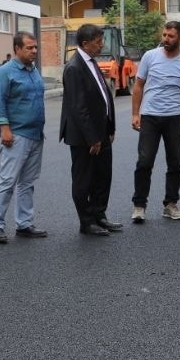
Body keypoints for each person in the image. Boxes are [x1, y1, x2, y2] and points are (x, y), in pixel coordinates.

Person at [130, 20, 180, 223]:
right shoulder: (150, 56)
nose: (166, 39)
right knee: (144, 162)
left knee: (175, 163)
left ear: (179, 38)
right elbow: (139, 86)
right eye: (164, 35)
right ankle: (139, 205)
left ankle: (170, 205)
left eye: (171, 36)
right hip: (150, 116)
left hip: (174, 119)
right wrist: (135, 114)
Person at [0, 33, 49, 243]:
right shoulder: (5, 73)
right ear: (17, 49)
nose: (34, 51)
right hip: (15, 135)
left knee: (27, 182)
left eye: (35, 48)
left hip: (35, 134)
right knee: (7, 181)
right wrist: (4, 128)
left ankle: (24, 224)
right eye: (30, 48)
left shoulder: (33, 71)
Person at [60, 24, 120, 236]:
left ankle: (99, 215)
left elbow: (104, 97)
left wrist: (110, 126)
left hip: (101, 132)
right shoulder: (74, 67)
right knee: (83, 180)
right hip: (84, 137)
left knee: (103, 176)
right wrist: (93, 138)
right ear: (85, 43)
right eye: (98, 41)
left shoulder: (92, 63)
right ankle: (86, 222)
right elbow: (78, 107)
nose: (101, 45)